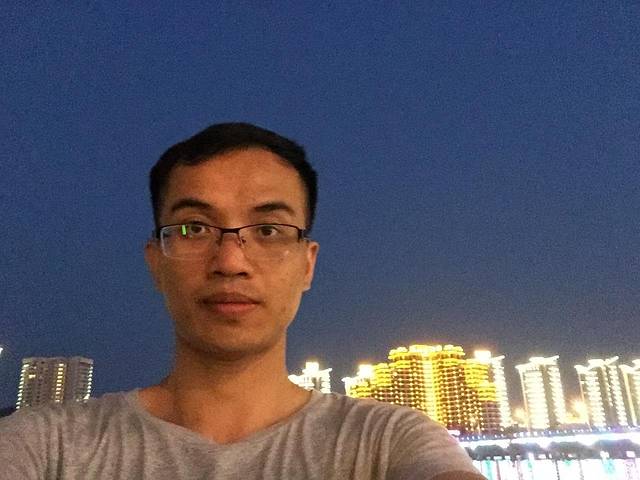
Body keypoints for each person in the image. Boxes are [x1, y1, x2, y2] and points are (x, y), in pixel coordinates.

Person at [0, 123, 485, 479]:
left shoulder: (387, 443)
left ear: (308, 265)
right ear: (155, 262)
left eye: (269, 230)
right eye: (194, 228)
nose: (230, 261)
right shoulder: (47, 447)